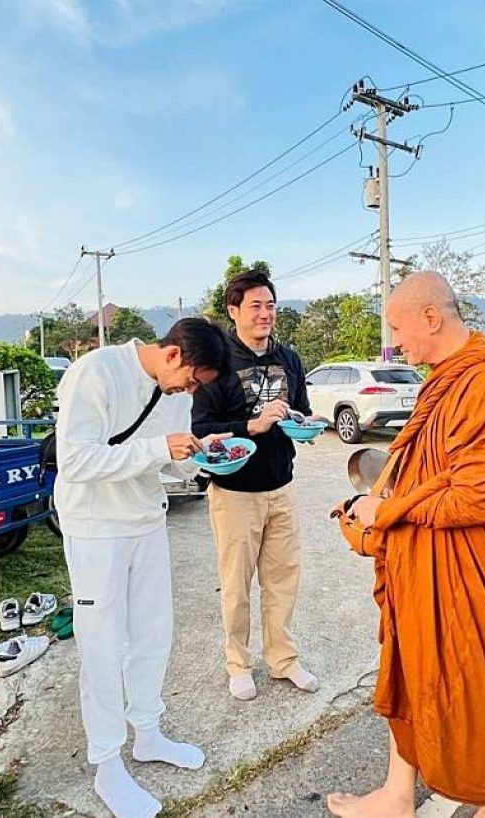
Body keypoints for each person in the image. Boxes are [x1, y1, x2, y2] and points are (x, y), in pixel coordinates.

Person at [328, 272, 485, 818]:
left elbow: (478, 499)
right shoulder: (444, 377)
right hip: (427, 560)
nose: (396, 344)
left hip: (480, 570)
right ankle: (397, 794)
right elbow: (431, 471)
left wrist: (388, 510)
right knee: (410, 675)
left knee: (477, 687)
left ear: (432, 317)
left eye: (399, 329)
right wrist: (380, 508)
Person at [54, 318, 230, 818]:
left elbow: (172, 461)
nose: (190, 392)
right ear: (172, 355)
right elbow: (76, 462)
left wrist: (200, 456)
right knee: (102, 641)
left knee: (153, 632)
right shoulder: (97, 373)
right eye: (193, 380)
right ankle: (107, 762)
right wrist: (158, 449)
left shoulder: (178, 392)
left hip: (147, 519)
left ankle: (147, 733)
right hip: (95, 526)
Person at [192, 270, 319, 701]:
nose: (265, 314)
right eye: (255, 306)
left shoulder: (290, 359)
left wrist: (305, 422)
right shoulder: (219, 362)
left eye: (270, 305)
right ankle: (238, 663)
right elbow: (202, 429)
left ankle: (283, 660)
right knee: (236, 583)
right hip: (235, 494)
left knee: (283, 579)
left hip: (281, 485)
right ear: (234, 311)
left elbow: (299, 409)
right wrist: (253, 424)